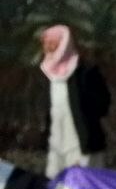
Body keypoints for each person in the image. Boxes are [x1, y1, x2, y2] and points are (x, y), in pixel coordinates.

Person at [37, 25, 111, 177]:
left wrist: (86, 116)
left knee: (83, 182)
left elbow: (102, 103)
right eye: (46, 43)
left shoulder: (85, 72)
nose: (48, 48)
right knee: (54, 181)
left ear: (63, 44)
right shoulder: (45, 74)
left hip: (82, 142)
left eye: (52, 43)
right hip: (56, 142)